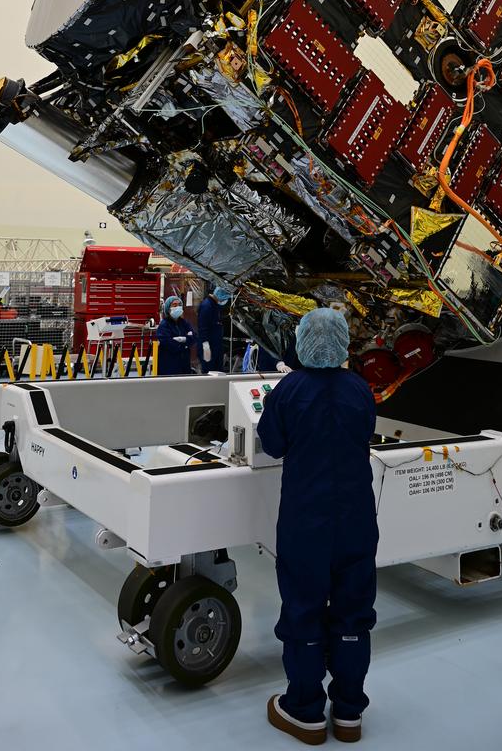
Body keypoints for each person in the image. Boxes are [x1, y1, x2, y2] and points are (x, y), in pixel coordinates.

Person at [257, 308, 377, 745]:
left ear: (302, 341)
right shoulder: (360, 390)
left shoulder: (288, 391)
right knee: (352, 613)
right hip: (356, 520)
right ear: (344, 343)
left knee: (304, 609)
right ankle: (348, 712)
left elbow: (271, 443)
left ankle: (304, 710)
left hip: (306, 520)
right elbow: (365, 432)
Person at [156, 294, 197, 376]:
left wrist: (181, 340)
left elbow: (193, 337)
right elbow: (167, 343)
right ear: (168, 308)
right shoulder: (164, 325)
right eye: (174, 305)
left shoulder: (184, 323)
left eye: (179, 305)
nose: (177, 307)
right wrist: (185, 343)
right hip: (169, 364)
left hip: (184, 364)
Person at [197, 286, 231, 373]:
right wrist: (205, 344)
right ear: (220, 293)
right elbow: (202, 327)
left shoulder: (214, 305)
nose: (226, 298)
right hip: (209, 346)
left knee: (218, 372)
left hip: (216, 345)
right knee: (209, 373)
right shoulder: (207, 306)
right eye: (226, 295)